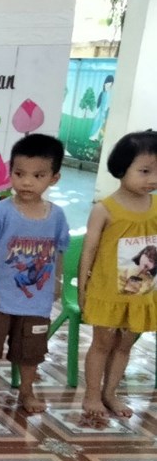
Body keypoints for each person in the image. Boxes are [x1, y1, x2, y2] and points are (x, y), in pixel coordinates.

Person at [0, 134, 69, 413]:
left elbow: (59, 251)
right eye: (19, 173)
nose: (27, 182)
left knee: (31, 351)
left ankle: (26, 391)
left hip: (37, 301)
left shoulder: (57, 216)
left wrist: (58, 281)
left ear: (54, 178)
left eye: (38, 175)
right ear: (10, 172)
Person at [79, 130, 157, 418]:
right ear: (122, 168)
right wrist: (82, 287)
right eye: (145, 171)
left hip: (140, 291)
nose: (152, 179)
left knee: (125, 345)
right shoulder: (104, 209)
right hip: (107, 291)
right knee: (102, 344)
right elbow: (89, 250)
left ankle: (110, 394)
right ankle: (91, 395)